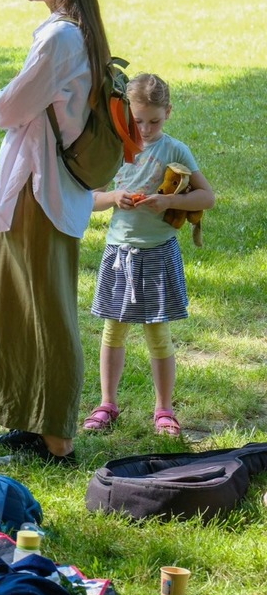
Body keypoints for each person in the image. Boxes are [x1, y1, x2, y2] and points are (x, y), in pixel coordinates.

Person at [0, 0, 110, 463]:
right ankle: (28, 419)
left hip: (42, 189)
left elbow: (9, 108)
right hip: (36, 187)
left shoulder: (61, 37)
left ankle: (56, 433)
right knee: (18, 305)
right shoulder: (69, 31)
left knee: (47, 310)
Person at [83, 74, 214, 437]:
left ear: (168, 112)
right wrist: (114, 197)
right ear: (126, 115)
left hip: (157, 253)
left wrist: (170, 201)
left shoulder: (175, 150)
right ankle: (107, 403)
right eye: (138, 121)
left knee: (158, 333)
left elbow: (207, 197)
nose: (145, 128)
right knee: (113, 331)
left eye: (154, 120)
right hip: (120, 252)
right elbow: (91, 199)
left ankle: (164, 410)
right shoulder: (115, 148)